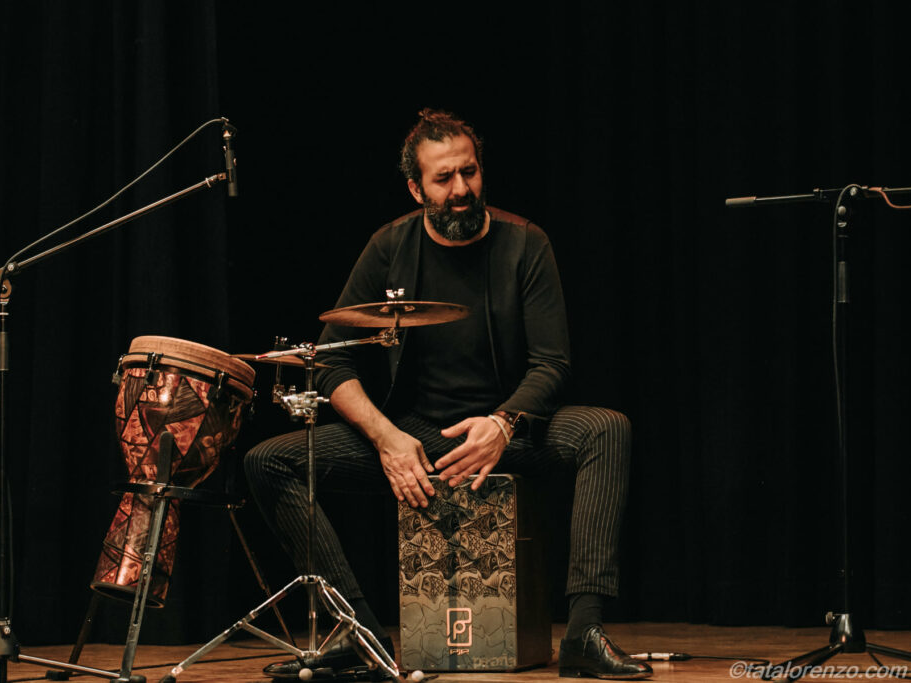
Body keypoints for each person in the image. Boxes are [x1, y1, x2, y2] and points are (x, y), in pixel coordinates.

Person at [244, 109, 650, 680]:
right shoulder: (389, 247)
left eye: (470, 172)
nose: (462, 190)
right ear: (416, 187)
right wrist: (387, 440)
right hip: (415, 435)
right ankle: (358, 634)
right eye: (444, 179)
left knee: (606, 428)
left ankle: (584, 632)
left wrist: (504, 422)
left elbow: (552, 363)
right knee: (268, 462)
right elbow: (332, 363)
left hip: (505, 434)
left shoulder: (525, 244)